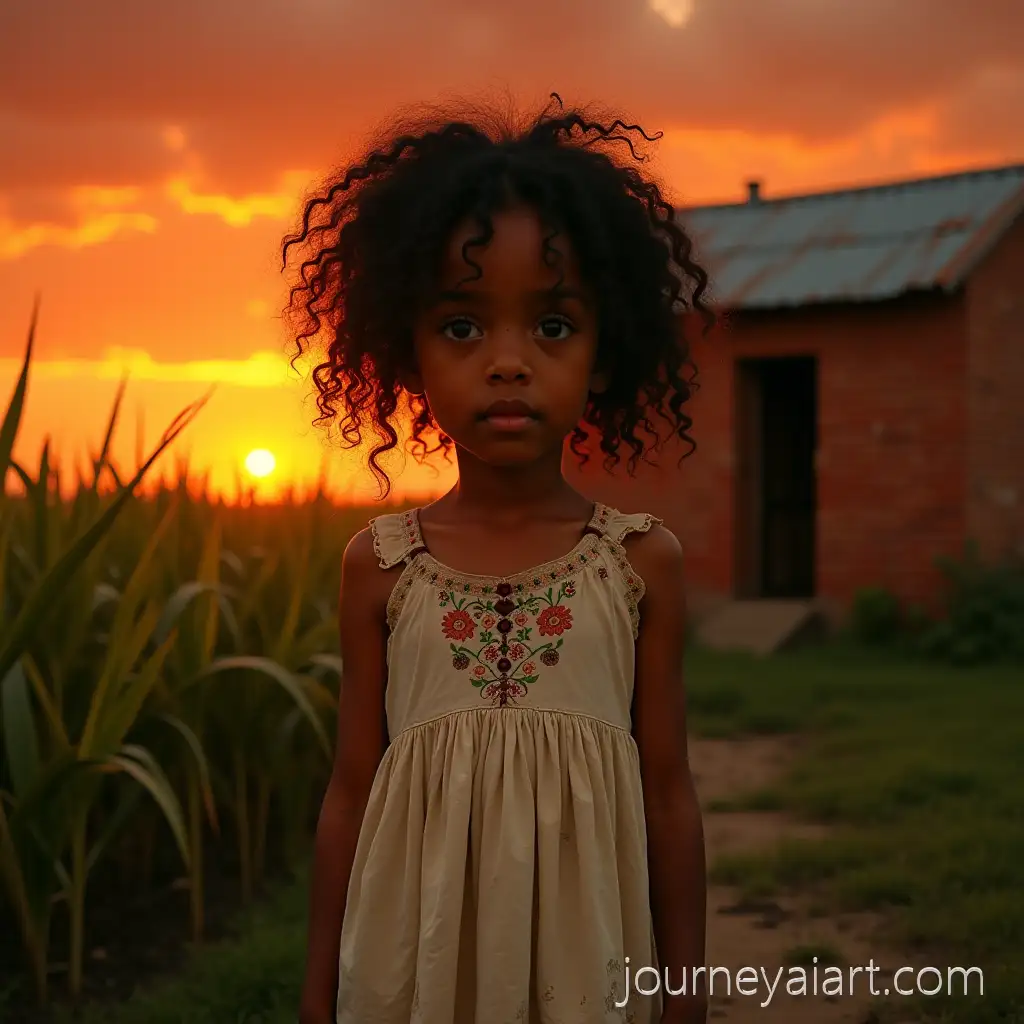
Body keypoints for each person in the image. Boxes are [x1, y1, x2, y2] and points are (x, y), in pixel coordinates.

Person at [283, 92, 710, 1024]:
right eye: (464, 326)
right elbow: (351, 791)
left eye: (551, 326)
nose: (507, 362)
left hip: (585, 966)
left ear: (604, 353)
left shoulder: (638, 565)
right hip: (417, 970)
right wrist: (319, 994)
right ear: (408, 353)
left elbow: (669, 795)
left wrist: (686, 997)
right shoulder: (383, 567)